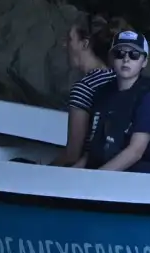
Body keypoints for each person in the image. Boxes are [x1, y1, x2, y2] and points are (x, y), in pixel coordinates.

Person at [51, 16, 127, 167]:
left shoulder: (84, 88)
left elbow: (72, 155)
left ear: (84, 43)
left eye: (70, 39)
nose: (64, 45)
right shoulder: (121, 80)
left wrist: (42, 170)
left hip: (87, 173)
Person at [85, 30, 150, 171]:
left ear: (144, 61)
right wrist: (74, 173)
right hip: (97, 174)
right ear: (111, 59)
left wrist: (94, 179)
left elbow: (135, 152)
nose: (126, 59)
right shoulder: (102, 93)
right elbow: (92, 149)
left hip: (130, 182)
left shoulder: (148, 98)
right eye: (119, 54)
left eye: (134, 55)